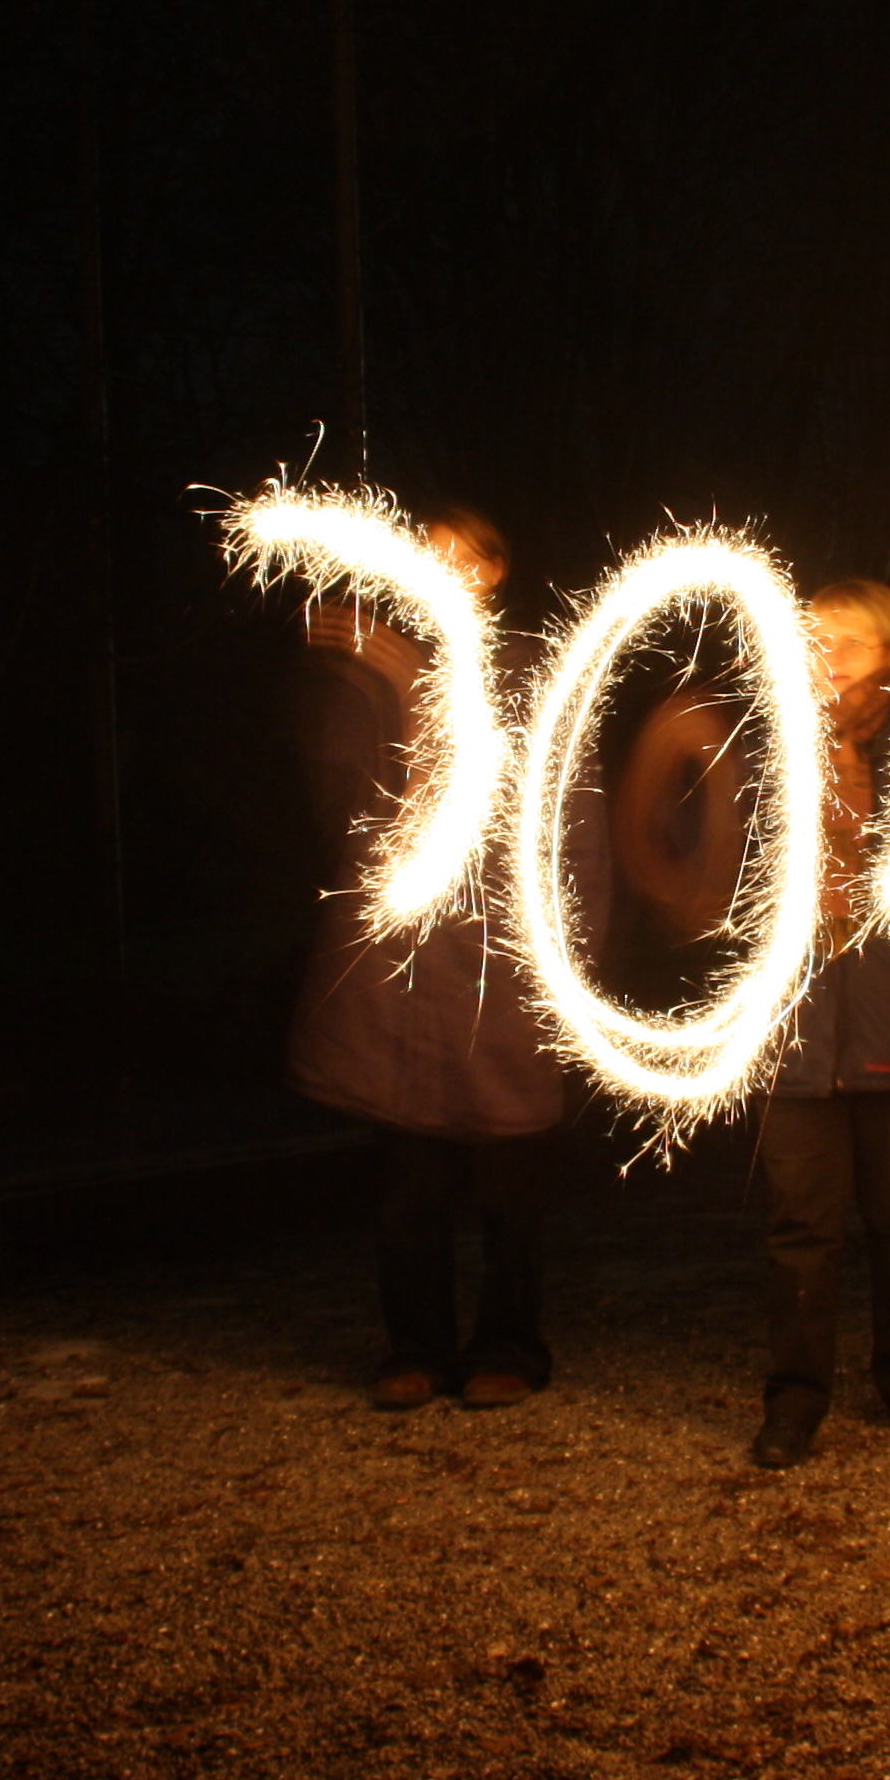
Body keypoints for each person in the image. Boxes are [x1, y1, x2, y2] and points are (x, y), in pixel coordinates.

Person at [625, 580, 890, 1471]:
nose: (828, 657)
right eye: (815, 639)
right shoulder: (758, 747)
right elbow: (691, 854)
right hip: (793, 1033)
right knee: (801, 1228)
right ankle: (796, 1397)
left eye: (850, 641)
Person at [288, 505, 580, 1413]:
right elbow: (343, 810)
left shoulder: (534, 672)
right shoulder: (368, 672)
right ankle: (414, 1346)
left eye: (455, 559)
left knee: (510, 1184)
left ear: (494, 572)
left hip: (504, 966)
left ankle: (509, 1346)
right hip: (403, 979)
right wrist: (369, 684)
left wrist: (572, 964)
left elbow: (564, 820)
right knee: (408, 1182)